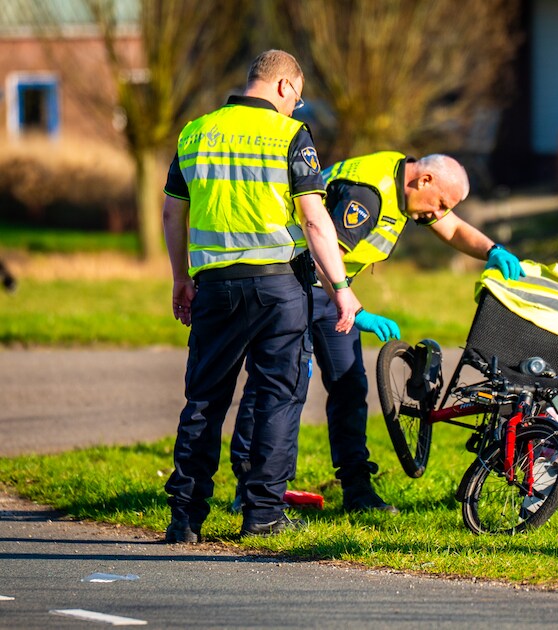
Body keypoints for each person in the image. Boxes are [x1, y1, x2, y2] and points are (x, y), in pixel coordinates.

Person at [229, 151, 524, 513]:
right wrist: (357, 309)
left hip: (331, 292)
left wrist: (492, 250)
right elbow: (324, 252)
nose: (438, 213)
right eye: (441, 202)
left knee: (349, 385)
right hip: (293, 286)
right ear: (425, 181)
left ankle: (357, 490)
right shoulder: (368, 194)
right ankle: (251, 488)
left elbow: (453, 227)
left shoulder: (405, 181)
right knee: (278, 386)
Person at [161, 50, 363, 542]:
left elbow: (171, 214)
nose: (296, 106)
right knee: (277, 397)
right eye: (297, 96)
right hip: (279, 289)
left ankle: (185, 518)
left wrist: (180, 277)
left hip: (214, 286)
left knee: (205, 399)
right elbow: (315, 220)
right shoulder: (290, 136)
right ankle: (263, 513)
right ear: (283, 86)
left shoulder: (195, 132)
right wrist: (340, 287)